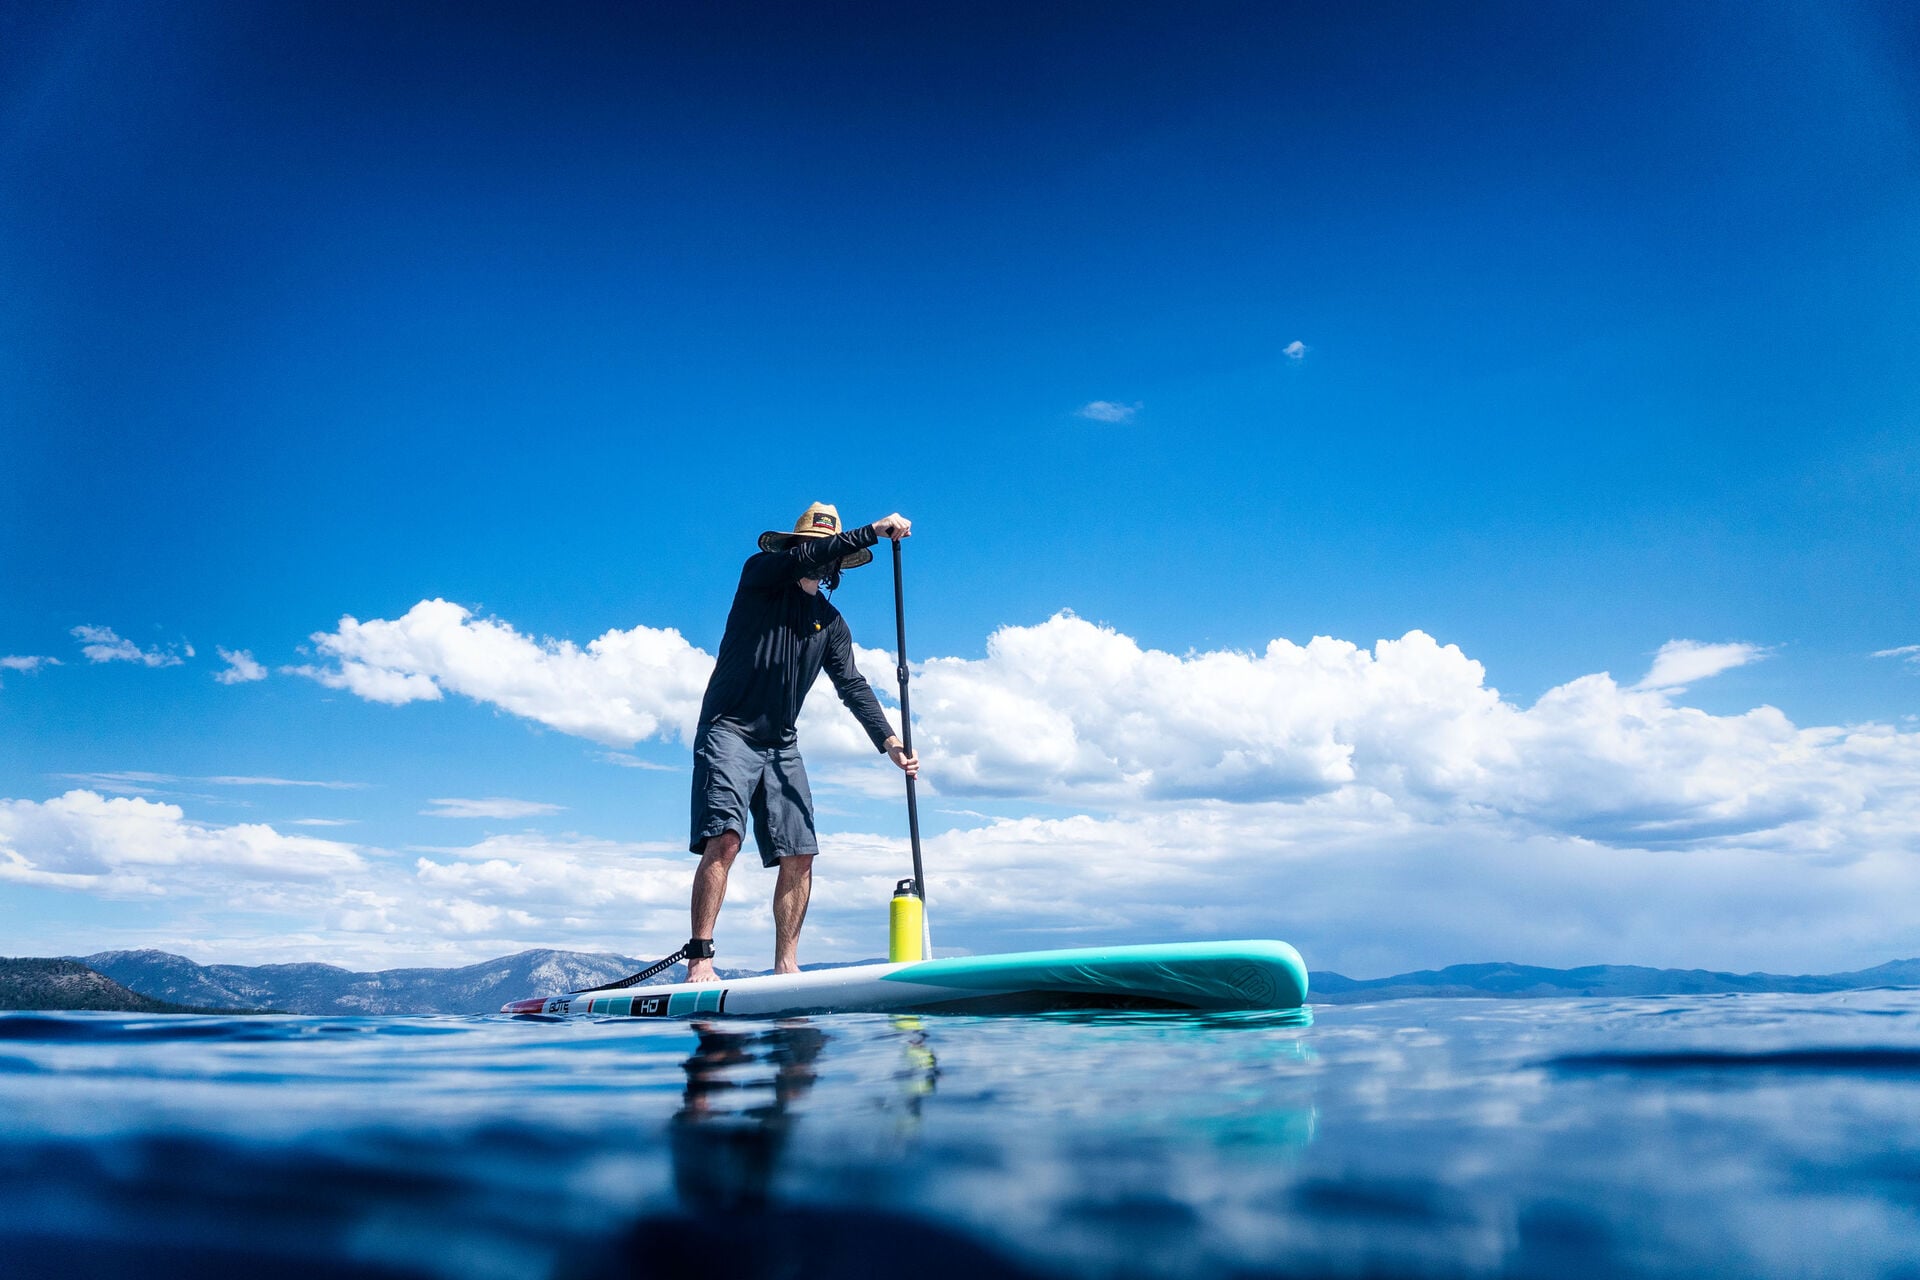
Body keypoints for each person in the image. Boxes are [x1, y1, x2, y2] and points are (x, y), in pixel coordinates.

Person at [683, 502, 919, 982]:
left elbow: (852, 685)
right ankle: (701, 958)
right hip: (729, 728)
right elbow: (802, 559)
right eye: (811, 546)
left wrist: (889, 741)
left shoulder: (831, 624)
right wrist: (873, 530)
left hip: (781, 744)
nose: (819, 557)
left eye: (825, 550)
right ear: (798, 547)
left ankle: (786, 965)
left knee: (800, 851)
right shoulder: (761, 577)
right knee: (725, 839)